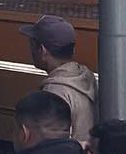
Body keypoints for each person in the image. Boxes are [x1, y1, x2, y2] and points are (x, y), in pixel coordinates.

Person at [20, 14, 99, 147]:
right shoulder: (86, 76)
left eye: (32, 45)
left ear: (42, 50)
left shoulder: (53, 93)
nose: (30, 50)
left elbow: (51, 146)